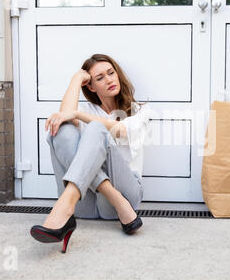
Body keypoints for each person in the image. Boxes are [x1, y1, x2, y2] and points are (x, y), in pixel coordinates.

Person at [30, 54, 153, 253]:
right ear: (91, 87)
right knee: (62, 130)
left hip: (126, 195)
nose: (109, 80)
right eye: (100, 78)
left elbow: (120, 130)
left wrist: (78, 115)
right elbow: (62, 119)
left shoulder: (140, 111)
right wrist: (76, 79)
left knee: (96, 129)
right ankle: (87, 200)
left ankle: (62, 209)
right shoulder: (88, 107)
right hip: (86, 205)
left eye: (111, 73)